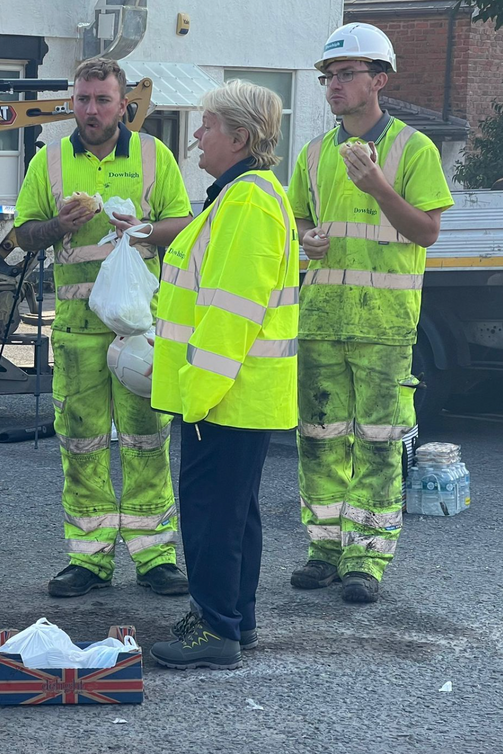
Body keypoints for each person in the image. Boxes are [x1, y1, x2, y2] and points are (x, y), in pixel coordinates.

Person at [14, 58, 193, 598]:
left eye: (102, 100)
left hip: (140, 327)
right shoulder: (49, 162)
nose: (91, 110)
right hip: (76, 330)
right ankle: (89, 559)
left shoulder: (152, 155)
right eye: (83, 99)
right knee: (82, 444)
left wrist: (141, 229)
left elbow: (182, 225)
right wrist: (57, 226)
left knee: (147, 439)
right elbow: (23, 236)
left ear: (123, 105)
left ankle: (155, 555)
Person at [288, 23, 454, 603]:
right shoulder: (312, 154)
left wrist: (380, 186)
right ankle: (325, 548)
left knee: (379, 441)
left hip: (384, 325)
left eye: (346, 74)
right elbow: (301, 220)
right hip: (321, 321)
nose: (333, 86)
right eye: (328, 77)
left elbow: (428, 232)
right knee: (319, 436)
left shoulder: (413, 148)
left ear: (378, 80)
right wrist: (305, 239)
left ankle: (367, 558)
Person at [147, 81, 299, 670]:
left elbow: (231, 311)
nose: (196, 137)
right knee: (234, 510)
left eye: (206, 125)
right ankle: (235, 617)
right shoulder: (239, 196)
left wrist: (199, 394)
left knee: (214, 512)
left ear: (239, 136)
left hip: (224, 393)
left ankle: (214, 627)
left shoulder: (246, 201)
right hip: (236, 392)